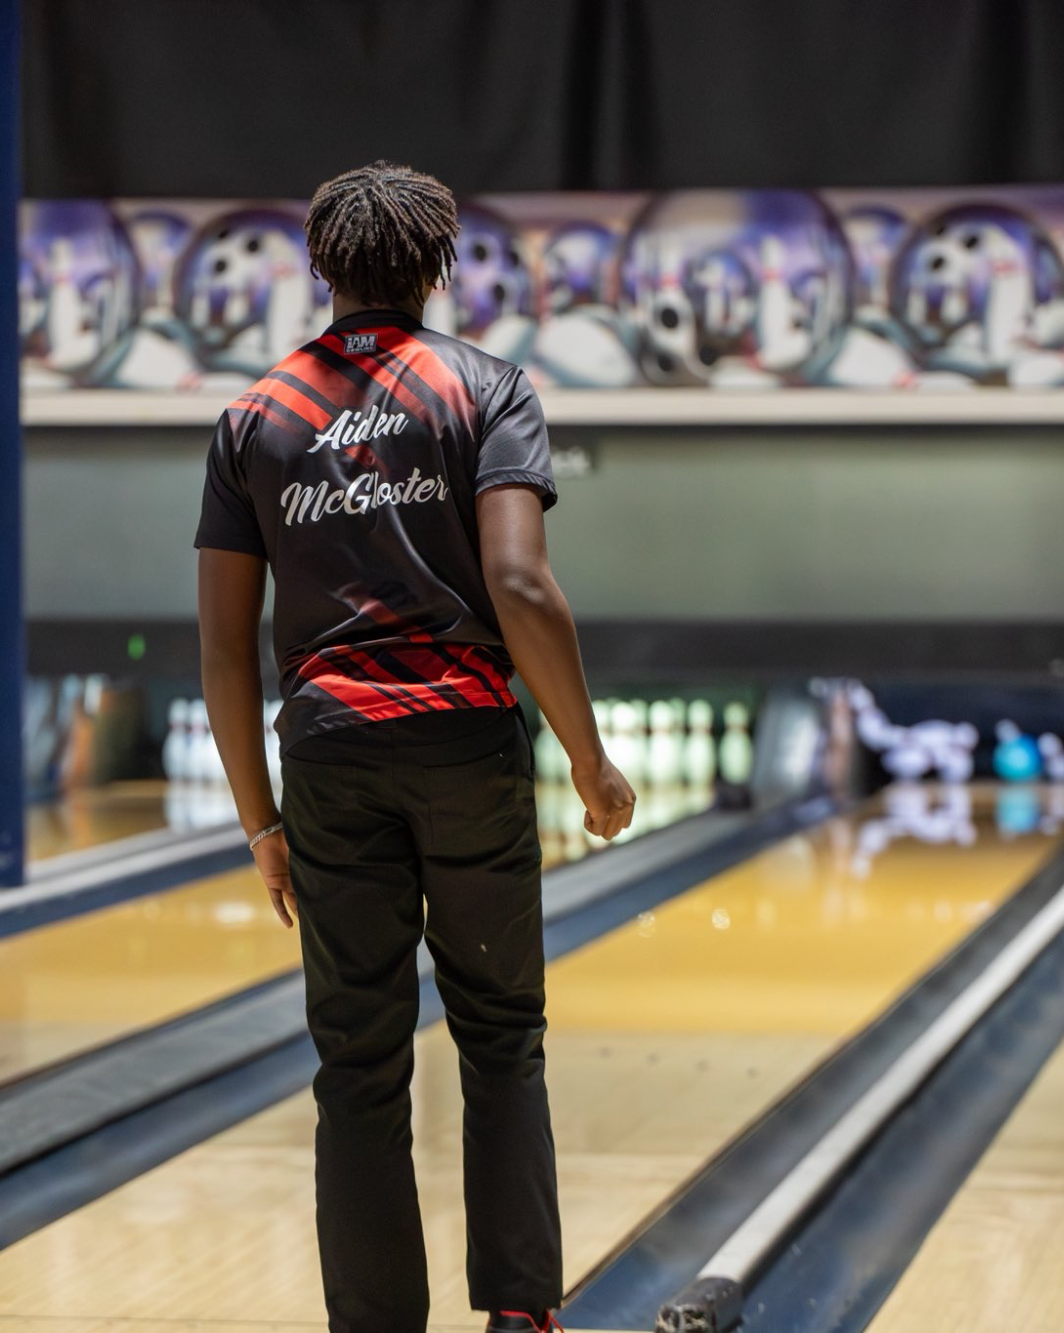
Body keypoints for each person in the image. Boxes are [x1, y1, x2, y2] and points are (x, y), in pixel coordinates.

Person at [194, 160, 635, 1333]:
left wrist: (258, 824)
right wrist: (589, 757)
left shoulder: (254, 417)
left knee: (357, 1065)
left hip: (329, 757)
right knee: (500, 1034)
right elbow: (518, 583)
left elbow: (226, 652)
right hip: (465, 745)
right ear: (437, 267)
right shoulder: (485, 387)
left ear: (320, 266)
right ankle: (519, 1316)